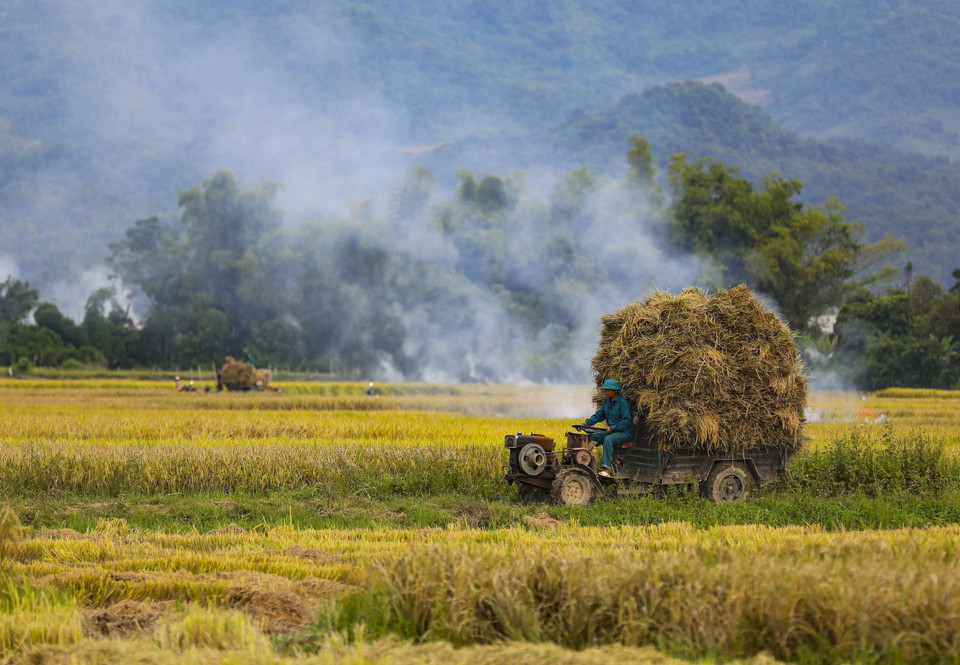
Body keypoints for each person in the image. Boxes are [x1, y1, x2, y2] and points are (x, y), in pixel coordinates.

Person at [582, 378, 634, 478]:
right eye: (605, 390)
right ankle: (586, 462)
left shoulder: (623, 403)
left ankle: (607, 470)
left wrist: (612, 428)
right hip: (611, 431)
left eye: (608, 390)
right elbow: (598, 416)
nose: (606, 392)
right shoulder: (607, 402)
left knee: (608, 439)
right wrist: (586, 424)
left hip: (625, 433)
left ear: (615, 390)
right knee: (592, 437)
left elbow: (627, 421)